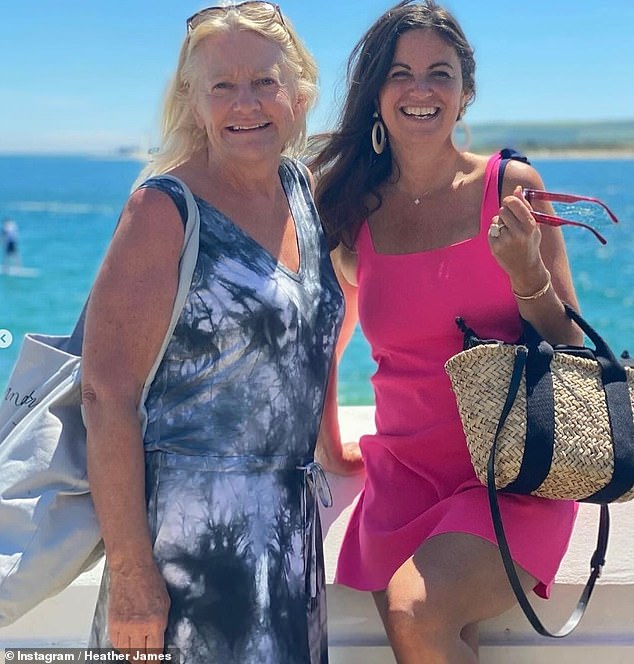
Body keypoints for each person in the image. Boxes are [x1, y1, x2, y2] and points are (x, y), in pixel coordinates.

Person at [82, 3, 354, 662]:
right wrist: (133, 579)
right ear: (194, 102)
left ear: (299, 93)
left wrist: (337, 450)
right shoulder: (163, 210)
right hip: (185, 558)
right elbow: (105, 395)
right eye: (222, 86)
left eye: (264, 81)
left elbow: (306, 346)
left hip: (287, 547)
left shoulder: (300, 191)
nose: (246, 103)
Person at [311, 1, 583, 662]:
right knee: (427, 634)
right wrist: (331, 447)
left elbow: (573, 353)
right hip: (400, 478)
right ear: (375, 93)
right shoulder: (353, 208)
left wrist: (525, 276)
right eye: (400, 73)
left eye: (440, 72)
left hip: (514, 474)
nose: (420, 89)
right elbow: (322, 338)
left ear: (466, 93)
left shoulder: (510, 187)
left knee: (414, 610)